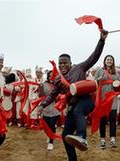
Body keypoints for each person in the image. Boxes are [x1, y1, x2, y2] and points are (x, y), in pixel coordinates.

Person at [38, 30, 108, 161]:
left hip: (86, 101)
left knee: (77, 110)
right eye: (60, 63)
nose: (62, 65)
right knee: (66, 135)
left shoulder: (79, 68)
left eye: (65, 63)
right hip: (73, 107)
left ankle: (82, 137)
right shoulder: (58, 80)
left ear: (70, 63)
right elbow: (52, 95)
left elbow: (94, 57)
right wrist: (42, 105)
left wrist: (101, 40)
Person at [94, 55, 120, 149]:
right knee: (103, 120)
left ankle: (113, 139)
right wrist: (98, 80)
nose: (109, 61)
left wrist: (118, 85)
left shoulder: (116, 73)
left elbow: (118, 86)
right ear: (104, 61)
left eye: (111, 60)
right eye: (107, 59)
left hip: (113, 98)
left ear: (113, 62)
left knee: (113, 118)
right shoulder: (99, 71)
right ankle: (103, 140)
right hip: (102, 98)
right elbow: (94, 83)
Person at [38, 70, 61, 150]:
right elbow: (40, 95)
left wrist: (59, 97)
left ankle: (51, 142)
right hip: (46, 108)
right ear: (48, 76)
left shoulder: (59, 85)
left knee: (52, 125)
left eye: (54, 76)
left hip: (55, 108)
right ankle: (49, 135)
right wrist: (40, 89)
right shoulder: (44, 84)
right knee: (46, 126)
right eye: (50, 76)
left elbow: (62, 95)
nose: (52, 77)